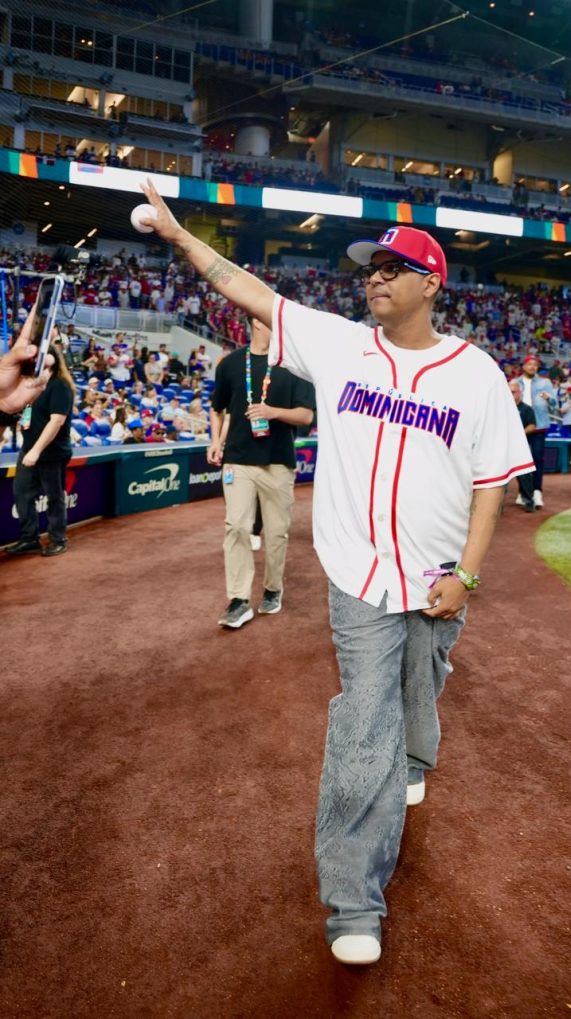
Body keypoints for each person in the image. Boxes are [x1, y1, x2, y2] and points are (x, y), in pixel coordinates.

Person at [139, 182, 533, 966]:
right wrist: (183, 241)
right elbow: (249, 290)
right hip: (357, 573)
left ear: (431, 283)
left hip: (437, 577)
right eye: (369, 269)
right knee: (364, 720)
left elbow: (494, 482)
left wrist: (470, 575)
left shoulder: (476, 373)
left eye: (392, 268)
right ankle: (354, 900)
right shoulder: (338, 343)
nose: (374, 279)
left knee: (420, 691)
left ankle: (418, 757)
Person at [208, 316, 315, 628]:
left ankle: (272, 588)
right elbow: (217, 409)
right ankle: (239, 599)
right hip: (238, 460)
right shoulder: (230, 364)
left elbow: (306, 415)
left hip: (278, 462)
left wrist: (273, 412)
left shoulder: (295, 365)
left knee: (276, 532)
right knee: (237, 527)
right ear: (257, 321)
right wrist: (215, 442)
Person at [5, 343, 76, 557]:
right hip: (28, 449)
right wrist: (24, 423)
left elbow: (56, 422)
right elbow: (27, 409)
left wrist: (35, 451)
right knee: (22, 493)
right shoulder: (31, 386)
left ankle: (58, 539)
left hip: (51, 453)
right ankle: (29, 538)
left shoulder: (59, 386)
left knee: (54, 497)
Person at [518, 355, 556, 508]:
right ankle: (523, 492)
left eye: (535, 364)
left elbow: (554, 403)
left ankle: (536, 492)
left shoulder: (544, 382)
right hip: (520, 426)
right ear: (524, 366)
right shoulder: (515, 383)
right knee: (520, 461)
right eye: (529, 364)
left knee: (538, 460)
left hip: (539, 424)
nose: (532, 367)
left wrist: (549, 398)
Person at [508, 378, 536, 511]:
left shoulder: (526, 409)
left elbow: (532, 425)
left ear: (519, 393)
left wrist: (520, 433)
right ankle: (494, 505)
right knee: (499, 477)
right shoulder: (501, 408)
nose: (511, 394)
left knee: (524, 475)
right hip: (503, 446)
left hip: (520, 446)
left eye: (513, 392)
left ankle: (529, 501)